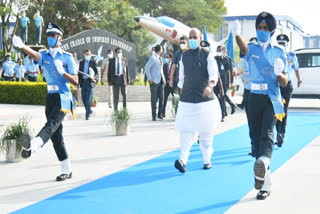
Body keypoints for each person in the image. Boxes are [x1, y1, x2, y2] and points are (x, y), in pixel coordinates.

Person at [12, 22, 78, 181]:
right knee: (56, 136)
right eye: (48, 35)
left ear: (60, 38)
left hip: (64, 97)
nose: (50, 38)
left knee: (51, 125)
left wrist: (63, 72)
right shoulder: (45, 55)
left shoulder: (67, 57)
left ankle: (32, 147)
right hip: (50, 97)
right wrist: (22, 46)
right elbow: (35, 55)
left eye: (53, 35)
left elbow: (76, 81)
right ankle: (66, 169)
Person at [232, 11, 288, 200]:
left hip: (271, 98)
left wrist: (280, 73)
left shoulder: (279, 51)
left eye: (265, 28)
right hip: (254, 97)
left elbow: (284, 83)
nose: (262, 30)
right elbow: (243, 49)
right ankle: (265, 182)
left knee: (267, 133)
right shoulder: (251, 48)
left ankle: (263, 162)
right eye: (259, 28)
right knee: (255, 138)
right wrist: (236, 34)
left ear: (271, 30)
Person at [174, 28, 221, 173]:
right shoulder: (184, 56)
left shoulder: (207, 55)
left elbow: (214, 74)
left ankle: (207, 159)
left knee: (205, 133)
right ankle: (183, 160)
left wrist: (210, 86)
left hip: (205, 101)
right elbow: (181, 77)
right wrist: (181, 91)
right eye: (190, 37)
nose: (192, 40)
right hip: (187, 100)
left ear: (200, 39)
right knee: (186, 132)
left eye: (195, 37)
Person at [275, 34, 302, 147]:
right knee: (283, 110)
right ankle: (281, 133)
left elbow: (296, 69)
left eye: (282, 43)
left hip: (279, 85)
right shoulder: (291, 55)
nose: (282, 45)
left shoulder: (275, 53)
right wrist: (299, 80)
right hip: (284, 85)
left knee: (278, 109)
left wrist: (299, 79)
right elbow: (296, 70)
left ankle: (279, 133)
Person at [235, 37, 257, 156]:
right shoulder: (244, 60)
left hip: (261, 93)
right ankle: (254, 146)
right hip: (249, 92)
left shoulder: (261, 59)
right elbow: (238, 69)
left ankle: (261, 145)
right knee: (251, 121)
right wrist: (236, 72)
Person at [145, 44, 165, 121]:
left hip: (160, 80)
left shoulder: (160, 58)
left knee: (162, 98)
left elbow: (161, 70)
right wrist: (149, 78)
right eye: (162, 49)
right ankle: (154, 115)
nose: (162, 50)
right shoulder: (153, 58)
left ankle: (159, 114)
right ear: (159, 50)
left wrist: (164, 79)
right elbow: (147, 68)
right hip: (154, 81)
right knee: (154, 98)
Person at [215, 45, 235, 117]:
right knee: (218, 97)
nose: (218, 52)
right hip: (216, 81)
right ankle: (225, 110)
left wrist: (230, 82)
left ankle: (223, 113)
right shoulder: (214, 59)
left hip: (224, 81)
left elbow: (229, 71)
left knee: (223, 96)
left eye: (220, 51)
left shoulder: (226, 59)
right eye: (217, 51)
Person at [78, 49, 98, 120]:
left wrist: (94, 77)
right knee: (83, 98)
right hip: (83, 82)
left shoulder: (93, 62)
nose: (88, 56)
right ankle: (89, 110)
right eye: (87, 54)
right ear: (84, 55)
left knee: (89, 99)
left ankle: (87, 115)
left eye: (89, 54)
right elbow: (79, 73)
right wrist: (77, 83)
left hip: (90, 83)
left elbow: (96, 72)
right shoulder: (81, 63)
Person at [162, 52, 174, 118]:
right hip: (166, 85)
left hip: (172, 85)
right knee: (164, 99)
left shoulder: (174, 65)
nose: (166, 58)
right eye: (165, 57)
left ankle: (176, 112)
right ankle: (163, 113)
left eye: (167, 57)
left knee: (175, 98)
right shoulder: (164, 65)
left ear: (171, 58)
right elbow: (163, 74)